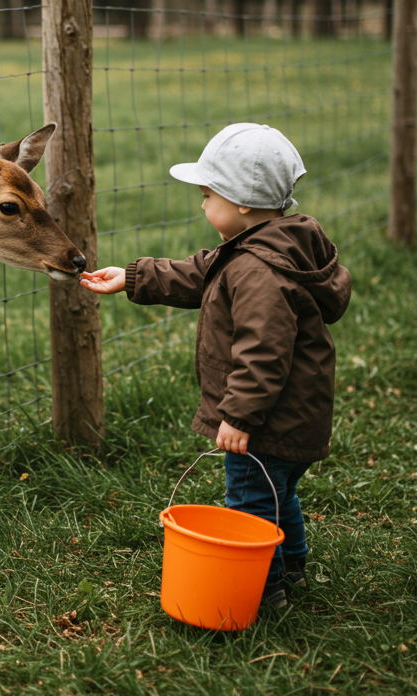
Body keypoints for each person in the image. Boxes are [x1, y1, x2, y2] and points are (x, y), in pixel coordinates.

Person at [81, 123, 351, 609]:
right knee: (278, 493)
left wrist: (240, 417)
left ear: (242, 202)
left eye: (207, 195)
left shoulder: (257, 271)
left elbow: (263, 353)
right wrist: (133, 277)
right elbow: (198, 273)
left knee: (250, 502)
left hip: (267, 422)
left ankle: (261, 591)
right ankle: (293, 563)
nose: (202, 205)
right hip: (299, 416)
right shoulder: (268, 246)